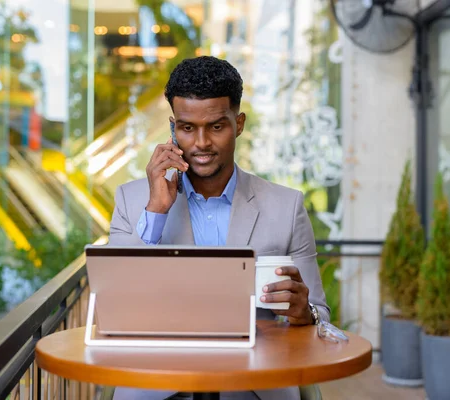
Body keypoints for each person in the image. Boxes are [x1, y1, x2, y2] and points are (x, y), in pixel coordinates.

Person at [108, 56, 330, 400]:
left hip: (256, 385)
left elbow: (320, 315)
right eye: (186, 128)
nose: (201, 144)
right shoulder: (132, 200)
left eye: (216, 126)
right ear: (172, 128)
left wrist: (305, 313)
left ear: (238, 124)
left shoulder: (286, 207)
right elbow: (113, 305)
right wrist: (156, 211)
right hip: (158, 384)